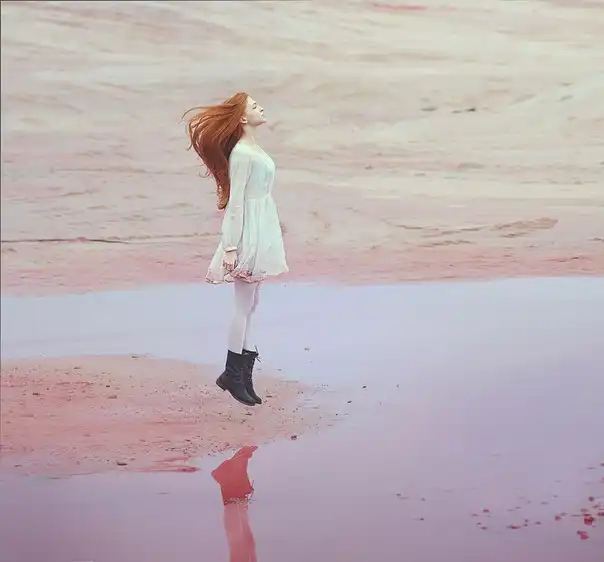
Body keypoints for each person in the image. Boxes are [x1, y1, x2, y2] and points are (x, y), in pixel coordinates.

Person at [183, 93, 288, 407]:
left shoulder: (253, 148)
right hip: (247, 230)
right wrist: (230, 246)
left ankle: (244, 374)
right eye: (254, 106)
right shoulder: (243, 153)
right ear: (242, 118)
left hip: (261, 224)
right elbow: (237, 200)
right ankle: (231, 373)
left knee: (251, 304)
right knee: (243, 305)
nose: (261, 108)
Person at [211, 446, 259, 562]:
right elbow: (215, 474)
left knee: (240, 543)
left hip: (236, 507)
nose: (246, 461)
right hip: (234, 507)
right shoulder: (231, 466)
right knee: (239, 543)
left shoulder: (238, 468)